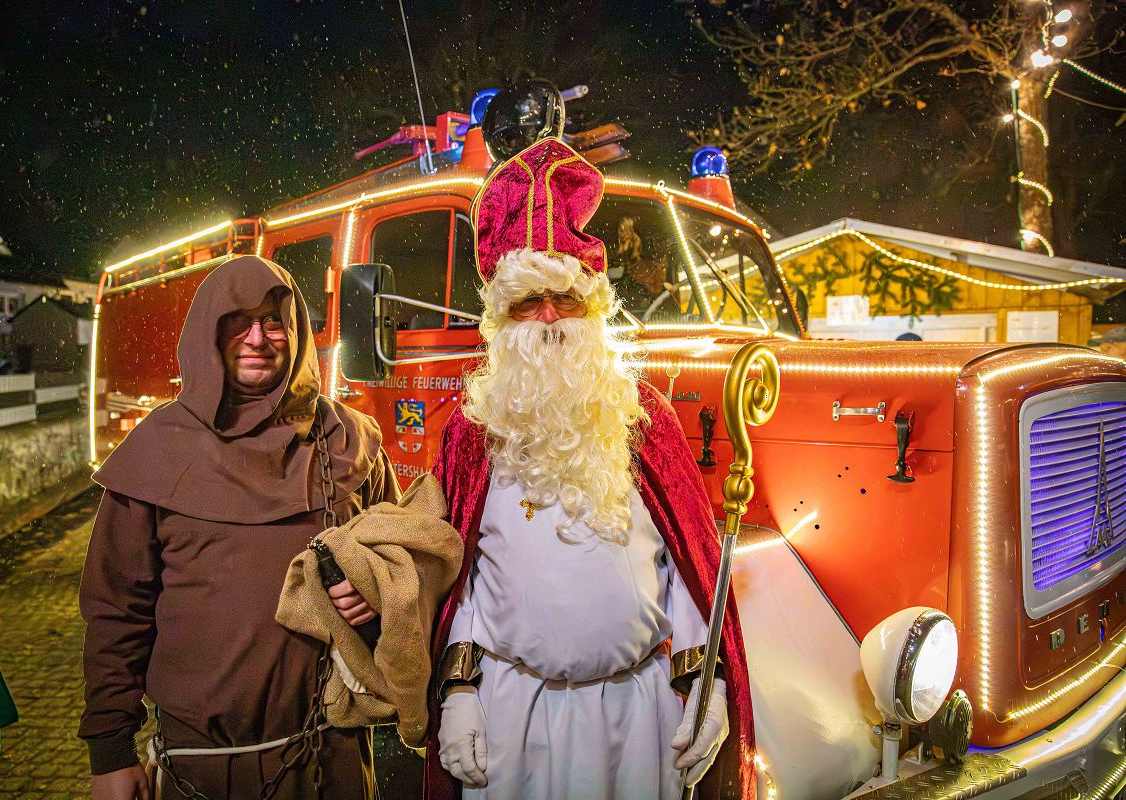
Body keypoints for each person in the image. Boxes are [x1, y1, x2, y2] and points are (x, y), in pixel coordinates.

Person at [425, 138, 756, 800]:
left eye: (565, 300)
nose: (549, 319)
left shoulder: (644, 419)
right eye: (528, 302)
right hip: (510, 720)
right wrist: (458, 689)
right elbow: (457, 580)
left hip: (638, 720)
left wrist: (710, 684)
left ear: (594, 309)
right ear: (502, 319)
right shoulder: (472, 432)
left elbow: (689, 575)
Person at [79, 255, 396, 799]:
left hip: (330, 756)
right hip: (200, 768)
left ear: (296, 333)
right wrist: (110, 751)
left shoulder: (349, 442)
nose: (258, 338)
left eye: (275, 322)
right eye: (237, 322)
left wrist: (379, 591)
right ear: (209, 332)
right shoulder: (157, 451)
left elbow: (404, 564)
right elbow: (115, 611)